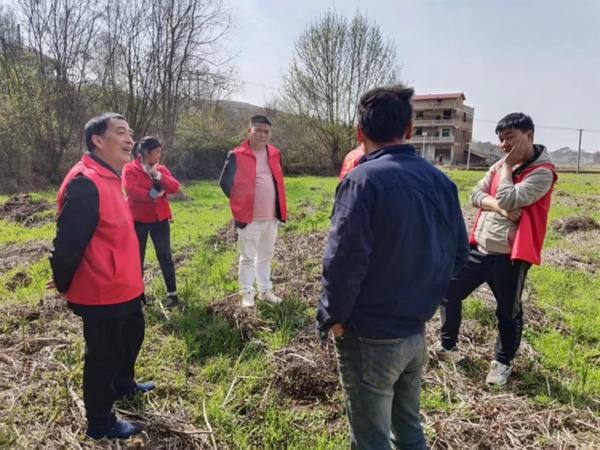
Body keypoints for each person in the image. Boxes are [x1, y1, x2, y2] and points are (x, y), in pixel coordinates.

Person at [317, 85, 469, 450]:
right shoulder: (442, 183)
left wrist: (332, 318)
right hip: (416, 332)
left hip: (369, 333)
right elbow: (460, 254)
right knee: (409, 430)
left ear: (359, 133)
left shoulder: (361, 181)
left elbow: (342, 262)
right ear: (410, 129)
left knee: (370, 441)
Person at [47, 113, 155, 440]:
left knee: (132, 335)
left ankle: (124, 385)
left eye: (130, 133)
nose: (129, 139)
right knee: (103, 358)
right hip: (102, 292)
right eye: (120, 133)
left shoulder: (110, 176)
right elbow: (66, 244)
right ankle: (100, 423)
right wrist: (64, 283)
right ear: (97, 140)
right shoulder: (85, 181)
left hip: (126, 286)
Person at [433, 112, 557, 386]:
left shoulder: (542, 173)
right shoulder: (501, 165)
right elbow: (476, 195)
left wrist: (507, 169)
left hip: (510, 256)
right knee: (448, 292)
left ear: (529, 136)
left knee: (507, 311)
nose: (504, 145)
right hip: (480, 247)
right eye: (500, 139)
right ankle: (448, 347)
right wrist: (500, 206)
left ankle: (502, 362)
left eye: (509, 138)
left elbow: (509, 196)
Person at [219, 115, 287, 308]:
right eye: (258, 130)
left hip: (271, 217)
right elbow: (224, 182)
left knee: (266, 255)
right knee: (248, 257)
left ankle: (265, 290)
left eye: (266, 131)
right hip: (249, 218)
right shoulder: (236, 154)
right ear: (249, 131)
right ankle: (247, 292)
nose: (262, 134)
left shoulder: (275, 153)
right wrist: (240, 202)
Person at [122, 137, 180, 307]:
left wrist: (157, 175)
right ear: (146, 152)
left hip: (159, 220)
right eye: (158, 152)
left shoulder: (160, 169)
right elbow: (132, 192)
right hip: (138, 220)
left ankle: (172, 294)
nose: (160, 155)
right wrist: (157, 192)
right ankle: (137, 296)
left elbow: (174, 187)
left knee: (165, 256)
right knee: (136, 258)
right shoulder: (129, 169)